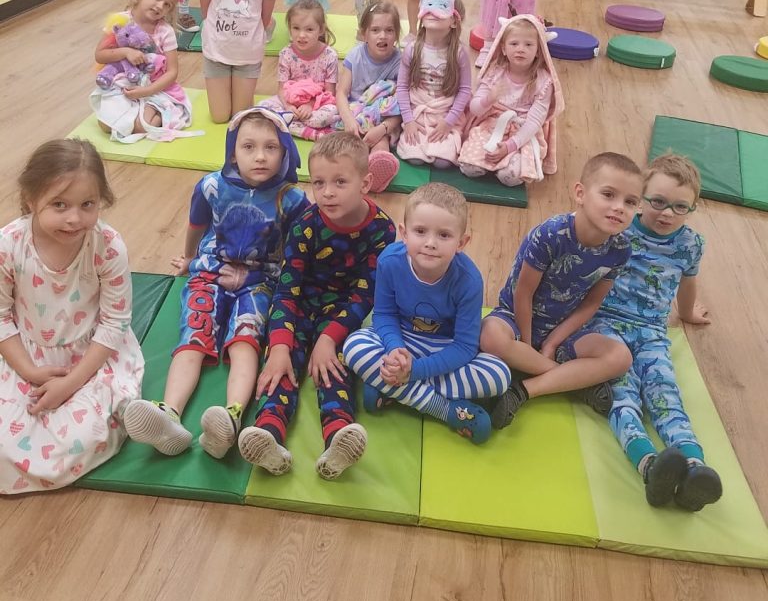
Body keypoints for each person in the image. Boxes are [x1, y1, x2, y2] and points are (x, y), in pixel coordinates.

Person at [123, 106, 310, 459]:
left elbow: (297, 251)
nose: (260, 156)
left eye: (271, 147)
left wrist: (260, 277)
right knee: (194, 337)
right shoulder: (211, 186)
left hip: (260, 281)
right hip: (210, 272)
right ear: (233, 152)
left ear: (285, 152)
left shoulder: (292, 199)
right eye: (249, 147)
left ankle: (231, 416)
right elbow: (196, 224)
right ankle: (169, 415)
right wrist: (189, 258)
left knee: (245, 341)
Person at [239, 133, 396, 478]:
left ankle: (339, 436)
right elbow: (287, 289)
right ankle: (268, 433)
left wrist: (329, 338)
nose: (327, 192)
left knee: (334, 369)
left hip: (343, 312)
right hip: (299, 306)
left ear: (365, 183)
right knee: (279, 369)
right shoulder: (305, 226)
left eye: (340, 182)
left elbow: (366, 294)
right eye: (319, 182)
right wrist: (280, 346)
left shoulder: (382, 229)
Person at [0, 140, 144, 493]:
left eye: (87, 204)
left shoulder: (107, 245)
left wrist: (72, 382)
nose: (74, 218)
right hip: (21, 352)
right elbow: (1, 317)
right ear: (30, 199)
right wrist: (29, 371)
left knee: (84, 434)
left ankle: (129, 413)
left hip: (91, 355)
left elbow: (114, 322)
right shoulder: (9, 244)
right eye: (59, 204)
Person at [586, 154, 722, 511]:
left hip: (652, 333)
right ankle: (649, 465)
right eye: (658, 202)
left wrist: (687, 313)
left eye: (680, 207)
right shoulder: (619, 229)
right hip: (606, 324)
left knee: (665, 395)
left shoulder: (690, 244)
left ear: (692, 208)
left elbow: (688, 282)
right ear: (641, 198)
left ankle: (694, 469)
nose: (667, 214)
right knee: (623, 394)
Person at [481, 152, 642, 428]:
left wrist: (552, 343)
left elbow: (591, 304)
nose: (619, 207)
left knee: (621, 357)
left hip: (564, 329)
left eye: (630, 202)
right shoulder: (550, 234)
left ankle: (525, 389)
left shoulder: (620, 249)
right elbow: (523, 294)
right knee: (490, 336)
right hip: (516, 318)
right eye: (608, 195)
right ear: (580, 193)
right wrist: (527, 346)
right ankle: (574, 382)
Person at [343, 183, 511, 445]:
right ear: (404, 233)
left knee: (499, 375)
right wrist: (395, 349)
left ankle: (391, 389)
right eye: (420, 231)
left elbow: (465, 346)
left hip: (445, 350)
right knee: (354, 346)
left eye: (444, 235)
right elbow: (384, 316)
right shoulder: (389, 261)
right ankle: (446, 411)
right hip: (403, 341)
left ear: (461, 242)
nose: (430, 243)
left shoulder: (469, 281)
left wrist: (414, 372)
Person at [459, 14, 564, 187]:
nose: (520, 49)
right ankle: (487, 163)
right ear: (503, 48)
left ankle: (504, 165)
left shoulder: (544, 82)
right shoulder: (495, 72)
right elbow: (475, 109)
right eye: (514, 44)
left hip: (522, 132)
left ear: (539, 50)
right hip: (491, 125)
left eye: (528, 44)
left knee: (511, 176)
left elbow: (534, 122)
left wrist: (509, 146)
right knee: (469, 168)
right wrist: (489, 98)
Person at [90, 0, 194, 142]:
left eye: (167, 5)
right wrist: (125, 52)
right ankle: (140, 115)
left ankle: (160, 114)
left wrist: (146, 91)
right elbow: (100, 55)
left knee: (142, 125)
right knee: (105, 125)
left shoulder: (165, 31)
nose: (160, 6)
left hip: (154, 88)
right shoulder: (120, 21)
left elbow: (172, 72)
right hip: (123, 85)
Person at [396, 0, 471, 169]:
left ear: (454, 21)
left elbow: (465, 90)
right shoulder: (412, 49)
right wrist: (409, 121)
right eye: (428, 7)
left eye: (441, 7)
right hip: (418, 113)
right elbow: (402, 87)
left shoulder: (459, 53)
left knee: (442, 162)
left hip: (445, 113)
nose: (432, 12)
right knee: (414, 158)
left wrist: (448, 122)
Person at [336, 0, 402, 193]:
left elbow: (402, 105)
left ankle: (378, 169)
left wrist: (382, 129)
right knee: (348, 142)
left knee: (380, 143)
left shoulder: (401, 62)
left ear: (396, 34)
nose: (383, 36)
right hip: (356, 113)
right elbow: (341, 93)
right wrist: (349, 120)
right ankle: (350, 170)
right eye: (375, 30)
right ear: (364, 34)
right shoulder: (355, 56)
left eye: (389, 30)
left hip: (383, 118)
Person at [261, 0, 340, 141]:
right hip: (290, 102)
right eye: (296, 28)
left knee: (329, 114)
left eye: (309, 29)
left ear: (321, 30)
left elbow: (330, 93)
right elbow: (281, 89)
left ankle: (288, 126)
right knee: (263, 108)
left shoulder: (330, 56)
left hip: (318, 104)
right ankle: (308, 131)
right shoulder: (286, 54)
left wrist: (310, 105)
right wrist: (288, 106)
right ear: (290, 28)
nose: (301, 35)